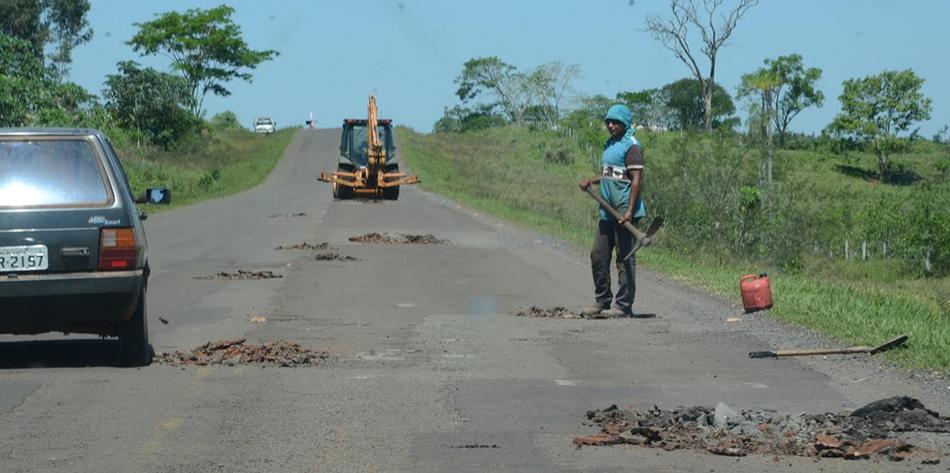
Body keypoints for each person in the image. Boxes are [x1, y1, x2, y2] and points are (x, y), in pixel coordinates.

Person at [578, 104, 645, 317]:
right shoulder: (610, 145)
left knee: (624, 258)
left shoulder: (632, 146)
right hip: (606, 211)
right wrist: (591, 181)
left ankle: (623, 305)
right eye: (608, 122)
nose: (611, 125)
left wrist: (629, 212)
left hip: (624, 210)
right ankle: (602, 300)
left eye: (615, 122)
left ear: (625, 123)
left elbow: (636, 181)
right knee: (598, 255)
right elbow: (610, 174)